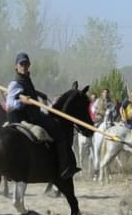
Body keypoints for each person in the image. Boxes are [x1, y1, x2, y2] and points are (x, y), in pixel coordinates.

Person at [6, 51, 78, 179]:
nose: (24, 66)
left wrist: (38, 94)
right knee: (59, 133)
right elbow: (9, 104)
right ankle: (63, 168)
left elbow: (29, 92)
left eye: (26, 64)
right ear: (16, 66)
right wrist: (22, 102)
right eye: (21, 64)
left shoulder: (26, 80)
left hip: (33, 115)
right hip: (27, 118)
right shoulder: (15, 83)